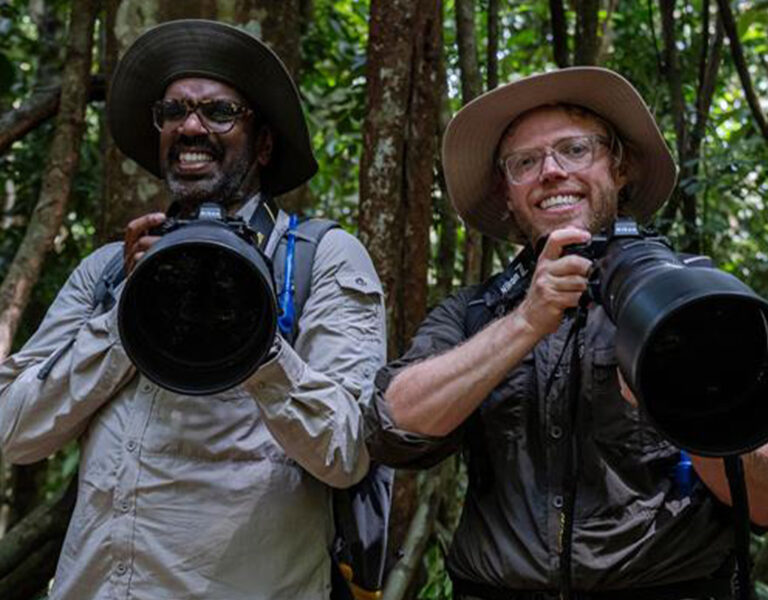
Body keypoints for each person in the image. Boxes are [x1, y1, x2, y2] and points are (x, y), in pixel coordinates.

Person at [0, 20, 386, 600]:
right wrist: (126, 315)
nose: (190, 127)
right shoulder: (108, 269)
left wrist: (251, 335)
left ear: (263, 143)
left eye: (219, 112)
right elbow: (13, 431)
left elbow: (349, 450)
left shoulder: (318, 260)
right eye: (173, 111)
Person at [364, 67, 768, 599]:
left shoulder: (701, 302)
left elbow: (762, 501)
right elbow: (391, 427)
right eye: (525, 162)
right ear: (507, 194)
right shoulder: (474, 313)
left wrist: (679, 393)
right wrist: (525, 322)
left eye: (576, 150)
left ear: (619, 168)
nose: (552, 171)